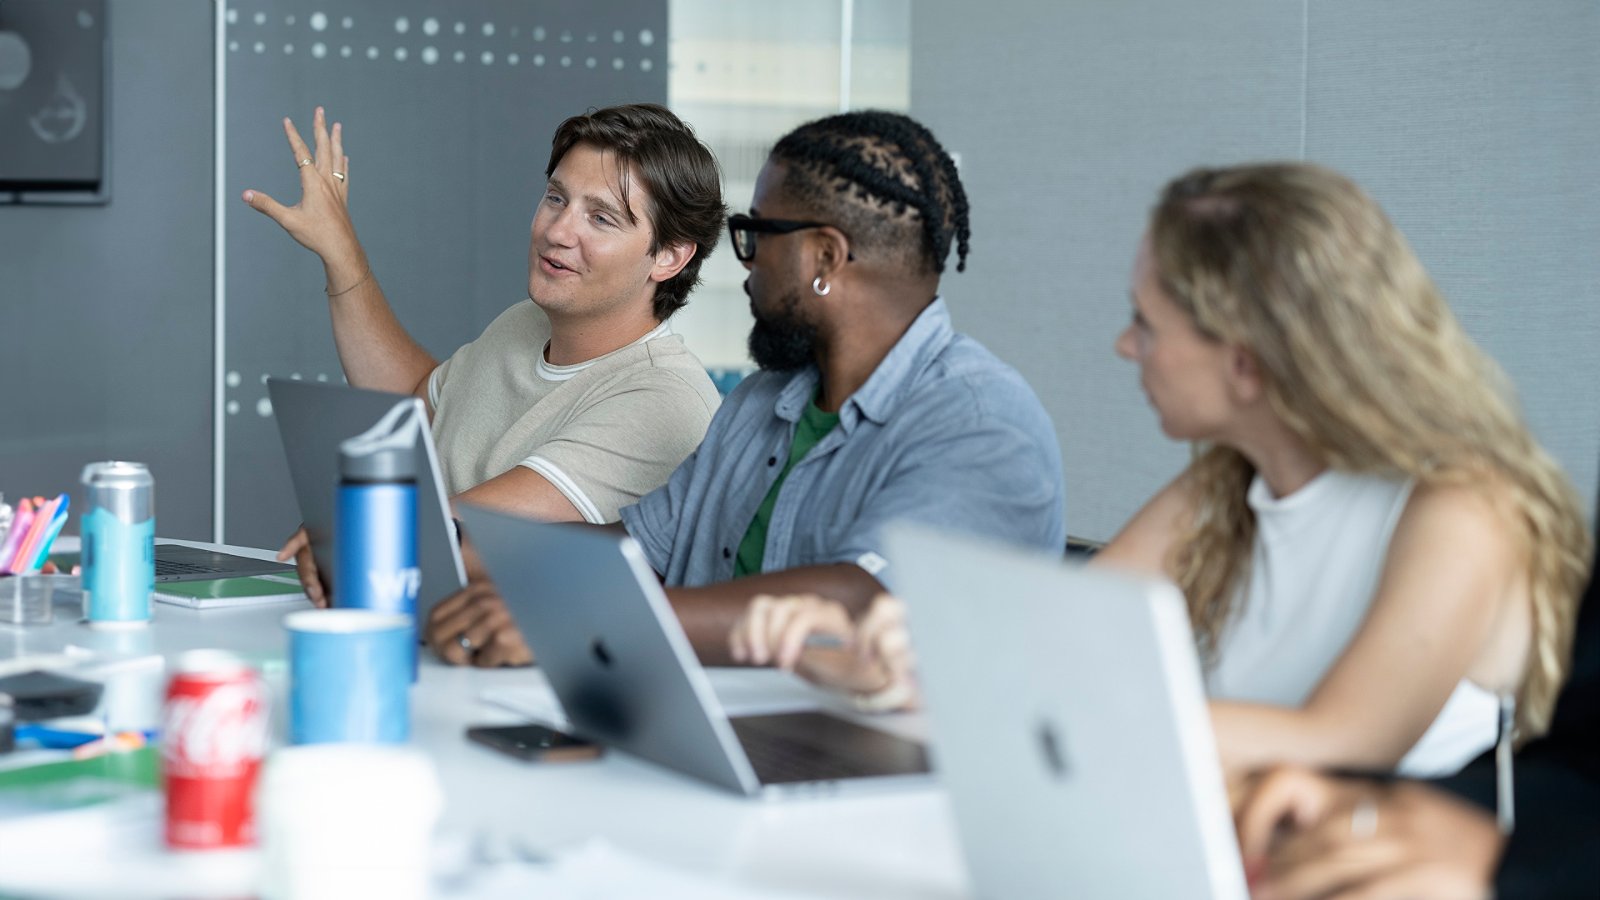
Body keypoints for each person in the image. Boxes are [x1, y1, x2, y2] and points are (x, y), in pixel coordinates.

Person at [731, 162, 1591, 778]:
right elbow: (1047, 646)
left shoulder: (1461, 511)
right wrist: (879, 661)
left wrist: (1000, 693)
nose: (1124, 345)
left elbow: (1340, 740)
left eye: (1147, 323)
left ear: (1246, 360)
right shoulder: (1224, 486)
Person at [423, 110, 1066, 667]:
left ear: (823, 259)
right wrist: (416, 543)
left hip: (871, 780)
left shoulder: (980, 421)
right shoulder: (761, 406)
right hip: (716, 738)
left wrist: (582, 621)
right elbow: (636, 552)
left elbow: (853, 602)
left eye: (758, 235)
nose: (746, 262)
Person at [242, 104, 726, 608]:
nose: (558, 231)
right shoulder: (524, 324)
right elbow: (415, 401)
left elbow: (450, 537)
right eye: (555, 198)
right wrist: (339, 251)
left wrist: (351, 526)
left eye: (601, 218)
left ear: (670, 256)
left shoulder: (662, 399)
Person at [1234, 517, 1600, 899]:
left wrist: (1523, 866)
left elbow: (1343, 733)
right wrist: (1364, 808)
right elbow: (1580, 761)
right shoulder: (1217, 496)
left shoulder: (1464, 519)